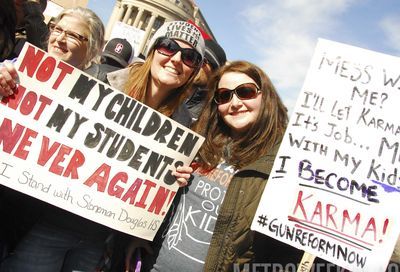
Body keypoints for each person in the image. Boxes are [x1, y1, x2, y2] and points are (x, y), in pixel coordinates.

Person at [135, 60, 293, 271]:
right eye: (224, 96)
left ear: (266, 96)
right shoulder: (199, 142)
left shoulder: (282, 164)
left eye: (245, 92)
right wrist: (139, 233)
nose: (235, 103)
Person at [0, 7, 109, 272]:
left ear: (93, 50)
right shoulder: (13, 69)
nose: (59, 39)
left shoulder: (100, 105)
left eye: (73, 35)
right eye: (57, 29)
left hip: (35, 222)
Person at [104, 20, 206, 271]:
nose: (176, 59)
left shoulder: (185, 129)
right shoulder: (102, 82)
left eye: (190, 56)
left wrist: (175, 182)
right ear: (152, 51)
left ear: (193, 71)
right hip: (58, 224)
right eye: (168, 47)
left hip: (112, 241)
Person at [185, 39, 227, 122]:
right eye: (193, 56)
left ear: (214, 73)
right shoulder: (167, 87)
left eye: (203, 61)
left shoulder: (211, 114)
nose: (197, 63)